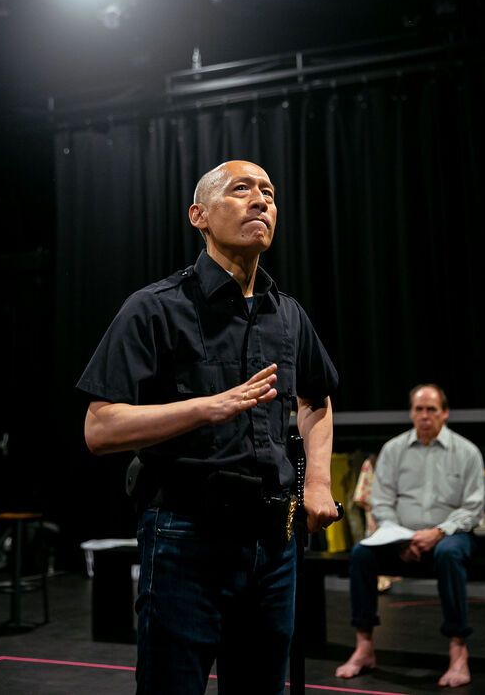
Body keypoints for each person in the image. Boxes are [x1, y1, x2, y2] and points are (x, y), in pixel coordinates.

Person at [77, 159, 340, 695]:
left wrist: (317, 483)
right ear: (198, 215)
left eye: (268, 191)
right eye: (241, 188)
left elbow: (318, 398)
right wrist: (205, 407)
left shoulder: (288, 314)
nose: (261, 200)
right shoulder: (153, 308)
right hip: (184, 536)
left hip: (273, 540)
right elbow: (100, 429)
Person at [336, 383, 485, 688]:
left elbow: (473, 508)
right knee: (361, 553)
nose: (425, 415)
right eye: (419, 409)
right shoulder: (393, 449)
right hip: (401, 535)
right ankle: (364, 646)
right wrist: (401, 539)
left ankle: (458, 651)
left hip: (450, 534)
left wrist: (438, 532)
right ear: (411, 413)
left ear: (445, 413)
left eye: (432, 409)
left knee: (449, 553)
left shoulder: (467, 452)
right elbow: (381, 502)